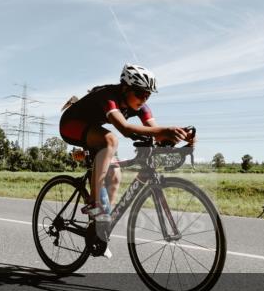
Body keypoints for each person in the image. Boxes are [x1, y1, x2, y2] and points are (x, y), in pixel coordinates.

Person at [59, 64, 192, 250]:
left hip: (92, 129)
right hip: (71, 124)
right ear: (125, 88)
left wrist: (182, 136)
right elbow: (125, 129)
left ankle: (101, 224)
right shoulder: (109, 96)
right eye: (139, 93)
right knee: (111, 140)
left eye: (148, 95)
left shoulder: (141, 107)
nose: (143, 99)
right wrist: (164, 130)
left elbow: (156, 132)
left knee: (115, 174)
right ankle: (94, 203)